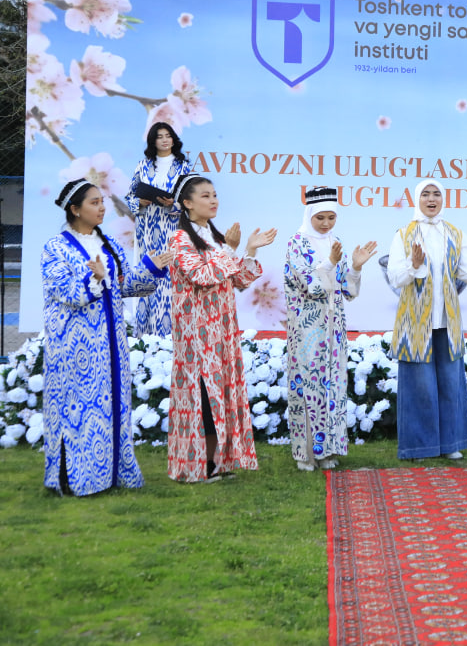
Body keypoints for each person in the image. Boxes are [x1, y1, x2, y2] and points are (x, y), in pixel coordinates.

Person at [40, 179, 173, 495]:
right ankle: (76, 479)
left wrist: (150, 267)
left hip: (110, 345)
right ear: (75, 209)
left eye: (102, 201)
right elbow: (67, 293)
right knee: (78, 409)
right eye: (94, 202)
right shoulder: (55, 248)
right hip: (73, 346)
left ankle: (110, 474)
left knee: (110, 407)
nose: (102, 208)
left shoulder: (108, 242)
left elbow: (124, 286)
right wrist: (94, 278)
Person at [167, 174, 277, 483]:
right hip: (197, 331)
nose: (213, 200)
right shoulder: (180, 239)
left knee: (222, 391)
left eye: (214, 194)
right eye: (205, 196)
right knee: (202, 394)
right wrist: (230, 250)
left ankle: (219, 461)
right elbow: (201, 276)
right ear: (187, 203)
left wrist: (250, 251)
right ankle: (199, 464)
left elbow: (238, 280)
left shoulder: (214, 237)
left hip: (222, 329)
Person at [388, 179, 467, 460]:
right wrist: (413, 265)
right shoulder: (403, 234)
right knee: (420, 386)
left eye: (436, 194)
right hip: (416, 323)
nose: (431, 199)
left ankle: (451, 444)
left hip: (447, 321)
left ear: (443, 199)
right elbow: (395, 277)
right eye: (425, 194)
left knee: (451, 382)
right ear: (417, 199)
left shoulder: (454, 234)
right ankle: (420, 447)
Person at [284, 186, 377, 471]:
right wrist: (330, 263)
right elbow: (309, 286)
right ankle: (305, 454)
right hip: (307, 325)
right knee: (308, 384)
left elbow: (347, 291)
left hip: (334, 328)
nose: (326, 223)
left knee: (332, 385)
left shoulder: (336, 242)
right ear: (309, 215)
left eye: (331, 218)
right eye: (320, 218)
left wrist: (356, 267)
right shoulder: (297, 243)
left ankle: (327, 450)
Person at [125, 122, 193, 336]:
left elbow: (191, 201)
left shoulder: (184, 167)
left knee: (170, 277)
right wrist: (140, 202)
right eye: (159, 136)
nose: (164, 140)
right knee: (148, 273)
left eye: (168, 135)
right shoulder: (142, 166)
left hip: (172, 229)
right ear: (153, 141)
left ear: (174, 139)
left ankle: (172, 334)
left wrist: (173, 204)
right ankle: (145, 335)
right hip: (146, 229)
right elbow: (130, 196)